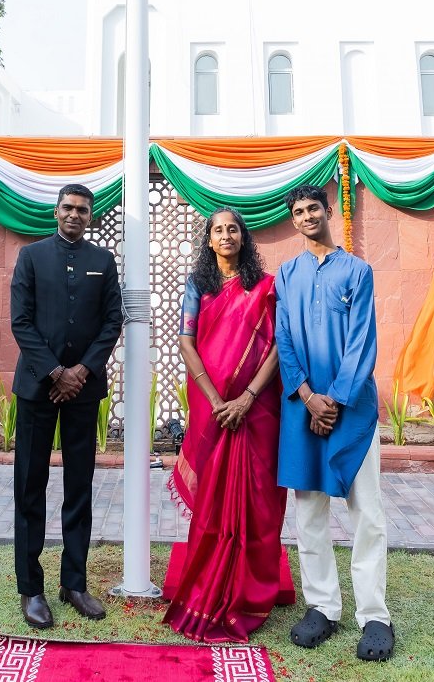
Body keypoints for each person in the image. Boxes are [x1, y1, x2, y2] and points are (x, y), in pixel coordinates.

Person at [275, 184, 394, 662]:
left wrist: (335, 401)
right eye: (298, 212)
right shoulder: (287, 274)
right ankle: (322, 607)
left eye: (313, 209)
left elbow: (362, 341)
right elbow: (284, 338)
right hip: (303, 409)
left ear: (328, 212)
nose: (306, 216)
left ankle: (375, 616)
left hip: (352, 410)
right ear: (293, 220)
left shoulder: (357, 271)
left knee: (366, 512)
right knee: (309, 513)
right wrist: (307, 396)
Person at [164, 207, 286, 643]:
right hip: (212, 409)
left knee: (257, 496)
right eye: (218, 230)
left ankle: (251, 590)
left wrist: (247, 398)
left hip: (257, 411)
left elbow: (277, 346)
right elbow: (186, 340)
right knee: (215, 496)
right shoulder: (198, 285)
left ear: (244, 237)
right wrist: (218, 401)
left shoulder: (266, 287)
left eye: (233, 228)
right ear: (209, 240)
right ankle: (212, 579)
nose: (227, 235)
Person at [11, 183, 122, 630]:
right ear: (56, 212)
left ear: (90, 216)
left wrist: (80, 373)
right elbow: (20, 320)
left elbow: (113, 320)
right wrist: (56, 372)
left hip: (84, 391)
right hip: (39, 389)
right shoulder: (31, 257)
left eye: (82, 209)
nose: (74, 215)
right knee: (30, 488)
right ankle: (31, 588)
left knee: (80, 487)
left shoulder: (103, 261)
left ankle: (74, 583)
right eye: (68, 208)